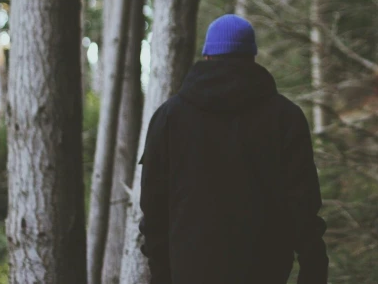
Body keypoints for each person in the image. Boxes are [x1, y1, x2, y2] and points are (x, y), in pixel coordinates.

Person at [139, 14, 329, 284]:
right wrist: (313, 273)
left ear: (206, 56)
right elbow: (304, 208)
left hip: (189, 273)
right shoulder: (285, 117)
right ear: (252, 57)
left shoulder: (169, 117)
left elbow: (153, 211)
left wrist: (161, 275)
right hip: (266, 273)